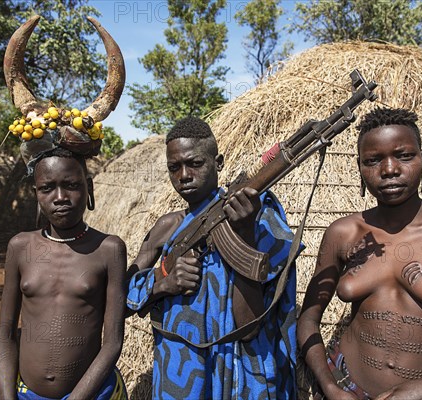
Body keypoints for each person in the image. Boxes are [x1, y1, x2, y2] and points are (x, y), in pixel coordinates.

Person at [297, 107, 422, 399]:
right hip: (346, 388)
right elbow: (307, 320)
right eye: (373, 160)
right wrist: (330, 386)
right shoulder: (344, 233)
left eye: (404, 155)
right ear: (359, 167)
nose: (389, 170)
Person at [126, 116, 302, 399]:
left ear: (218, 163)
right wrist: (162, 283)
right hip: (182, 375)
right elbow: (122, 298)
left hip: (242, 373)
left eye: (195, 164)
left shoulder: (259, 218)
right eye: (175, 167)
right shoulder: (166, 227)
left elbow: (249, 327)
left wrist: (244, 234)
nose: (184, 175)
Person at [0, 148, 127, 399]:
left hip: (90, 393)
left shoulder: (109, 250)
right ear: (36, 193)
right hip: (24, 393)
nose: (60, 197)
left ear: (89, 187)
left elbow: (112, 343)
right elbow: (5, 335)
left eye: (71, 185)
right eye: (47, 188)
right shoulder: (20, 247)